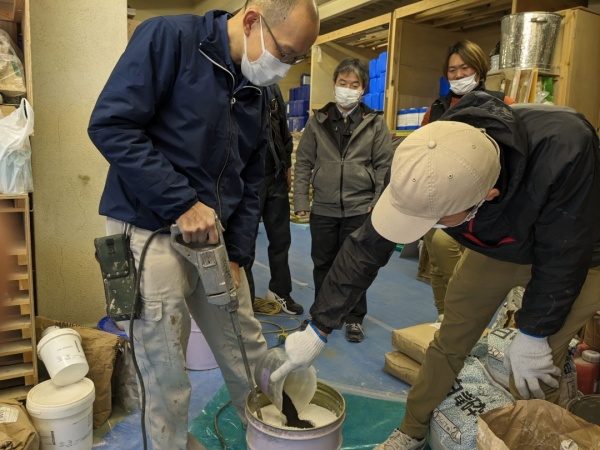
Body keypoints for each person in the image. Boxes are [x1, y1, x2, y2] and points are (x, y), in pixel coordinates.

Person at [272, 93, 600, 449]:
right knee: (450, 339)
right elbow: (367, 246)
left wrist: (535, 332)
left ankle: (529, 439)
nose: (425, 227)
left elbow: (563, 254)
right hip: (498, 244)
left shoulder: (567, 148)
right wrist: (318, 327)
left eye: (436, 220)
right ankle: (412, 429)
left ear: (485, 196)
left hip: (580, 253)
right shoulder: (431, 157)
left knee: (535, 366)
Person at [88, 1, 319, 448]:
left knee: (247, 349)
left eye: (295, 60)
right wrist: (181, 203)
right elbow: (111, 125)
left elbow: (254, 179)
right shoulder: (169, 39)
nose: (284, 70)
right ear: (252, 20)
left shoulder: (260, 90)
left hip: (216, 237)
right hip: (148, 229)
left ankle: (277, 436)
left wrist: (238, 255)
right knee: (165, 370)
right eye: (286, 54)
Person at [293, 58, 394, 342]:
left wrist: (378, 201)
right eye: (342, 83)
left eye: (354, 85)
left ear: (362, 89)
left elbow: (384, 166)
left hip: (360, 207)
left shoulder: (374, 123)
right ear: (334, 84)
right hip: (323, 208)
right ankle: (320, 316)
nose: (347, 89)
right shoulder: (319, 121)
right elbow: (303, 162)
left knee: (355, 265)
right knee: (323, 263)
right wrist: (302, 198)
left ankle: (354, 317)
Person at [421, 40, 514, 320]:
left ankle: (465, 319)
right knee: (438, 260)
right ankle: (444, 316)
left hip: (484, 202)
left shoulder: (502, 104)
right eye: (452, 70)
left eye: (465, 67)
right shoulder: (436, 109)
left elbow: (514, 152)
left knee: (470, 267)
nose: (459, 75)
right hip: (441, 198)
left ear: (480, 69)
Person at [245, 84, 303, 315]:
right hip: (248, 180)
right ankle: (245, 301)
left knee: (281, 240)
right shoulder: (235, 84)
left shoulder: (272, 88)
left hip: (276, 176)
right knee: (244, 243)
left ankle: (280, 291)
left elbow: (282, 128)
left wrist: (287, 165)